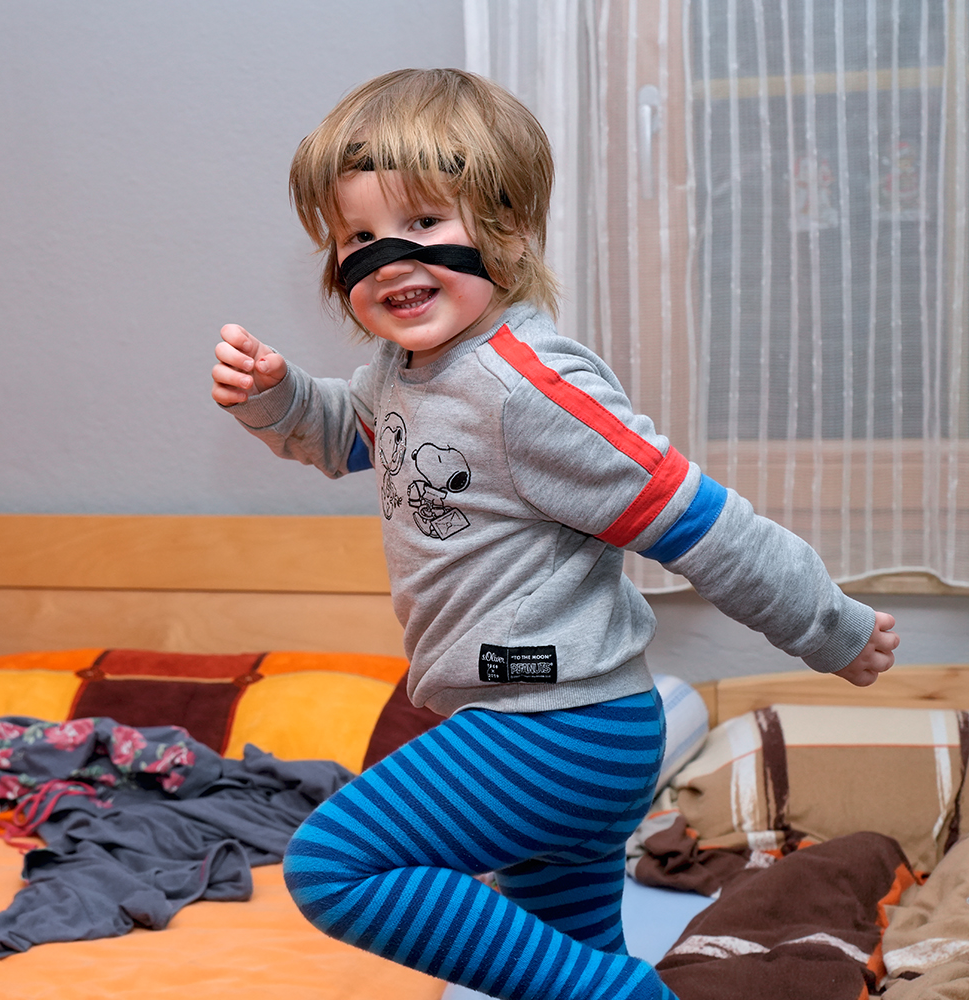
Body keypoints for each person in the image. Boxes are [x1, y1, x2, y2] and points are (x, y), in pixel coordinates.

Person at [209, 68, 898, 1000]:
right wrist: (278, 398)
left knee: (334, 864)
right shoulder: (406, 372)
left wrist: (833, 629)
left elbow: (703, 523)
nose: (386, 258)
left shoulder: (528, 388)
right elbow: (349, 437)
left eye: (423, 223)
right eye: (357, 237)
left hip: (560, 729)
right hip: (530, 724)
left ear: (510, 230)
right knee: (564, 957)